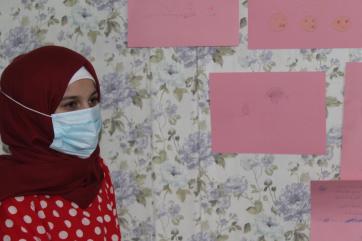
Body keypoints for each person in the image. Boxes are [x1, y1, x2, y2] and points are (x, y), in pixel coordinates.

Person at [0, 46, 122, 240]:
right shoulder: (11, 200)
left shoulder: (96, 172)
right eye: (71, 104)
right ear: (30, 115)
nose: (88, 114)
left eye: (93, 100)